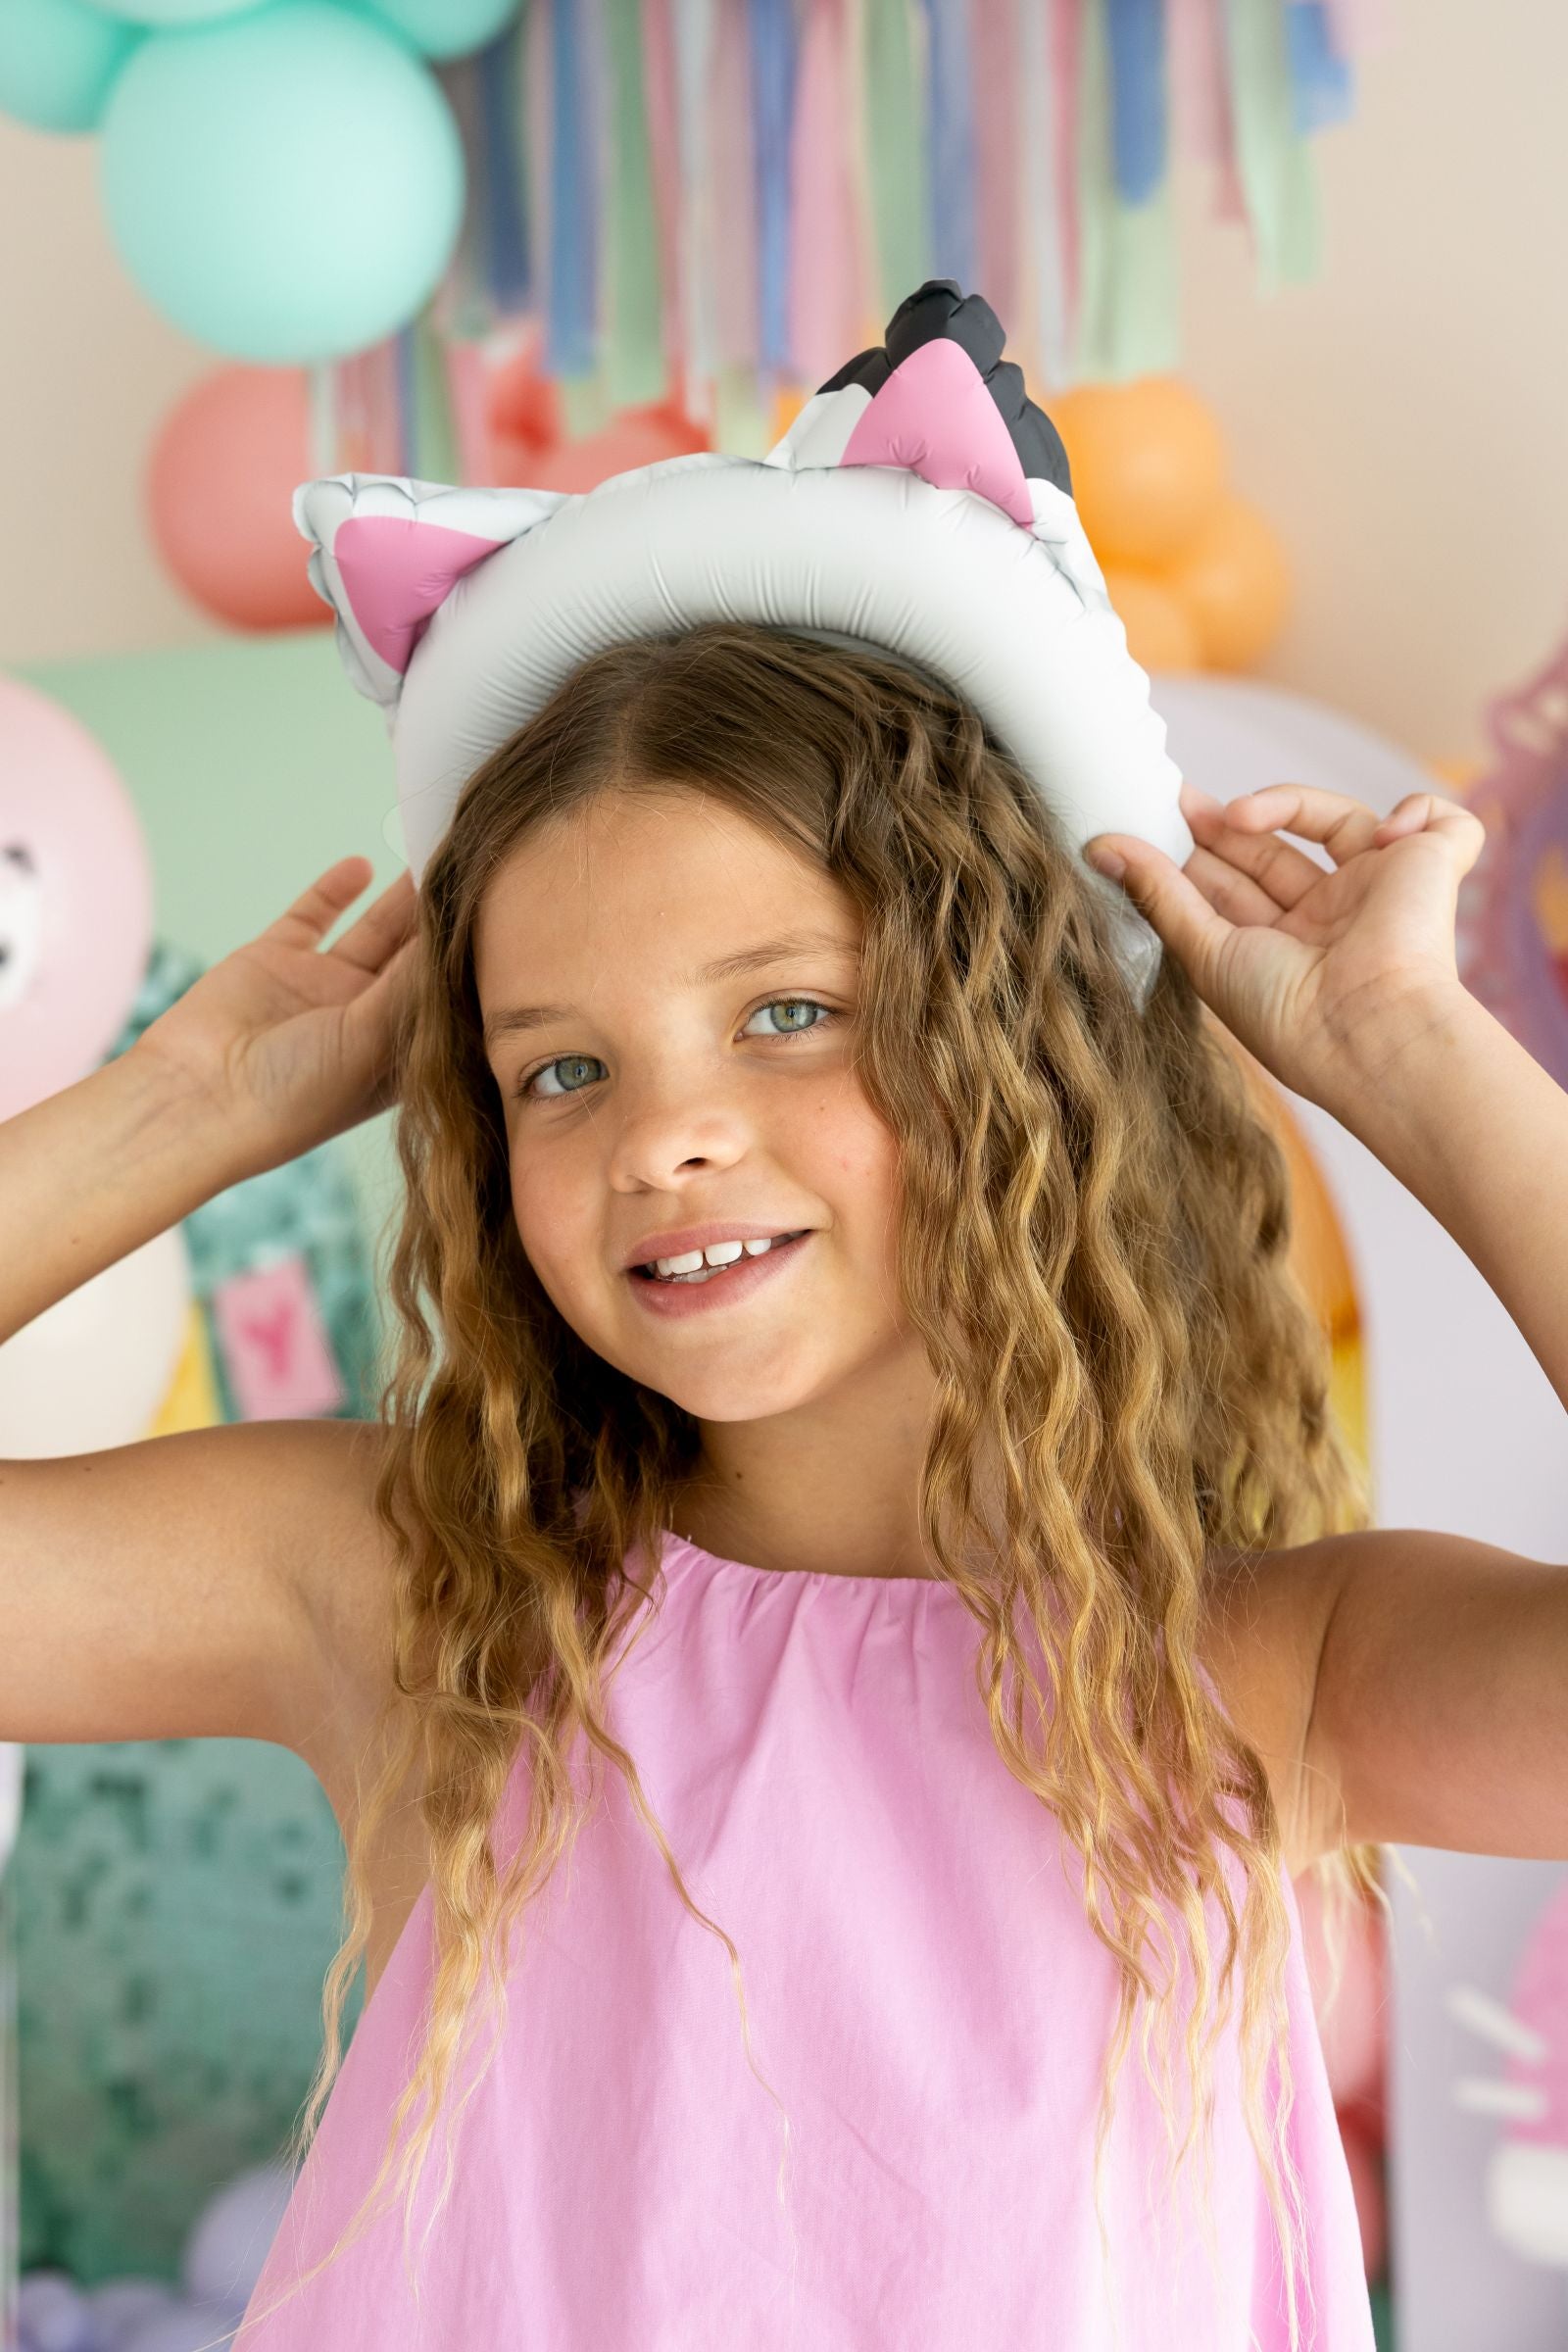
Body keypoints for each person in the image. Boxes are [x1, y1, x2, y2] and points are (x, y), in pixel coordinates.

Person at [6, 304, 1566, 2352]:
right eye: (557, 1070)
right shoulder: (410, 1600)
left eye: (785, 1015)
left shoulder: (1250, 1673)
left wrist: (1412, 1057)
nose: (664, 1134)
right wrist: (175, 1109)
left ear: (1018, 1056)